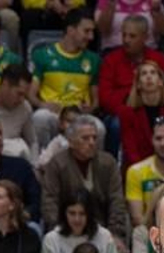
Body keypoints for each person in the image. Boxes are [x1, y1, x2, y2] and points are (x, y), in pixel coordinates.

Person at [40, 114, 130, 249]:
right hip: (67, 228)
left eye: (94, 138)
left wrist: (114, 233)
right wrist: (61, 233)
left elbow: (116, 200)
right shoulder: (57, 164)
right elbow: (49, 202)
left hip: (102, 228)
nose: (92, 142)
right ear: (71, 141)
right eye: (85, 138)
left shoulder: (108, 163)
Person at [29, 8, 99, 149]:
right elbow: (30, 94)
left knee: (100, 128)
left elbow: (96, 101)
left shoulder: (93, 59)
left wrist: (89, 108)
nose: (91, 37)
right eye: (86, 31)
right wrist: (42, 104)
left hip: (79, 115)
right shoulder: (43, 55)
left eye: (92, 32)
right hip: (53, 113)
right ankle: (40, 164)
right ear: (71, 30)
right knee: (40, 117)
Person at [116, 59, 164, 167]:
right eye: (144, 74)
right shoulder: (127, 112)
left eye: (153, 73)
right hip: (141, 169)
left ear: (161, 81)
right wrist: (149, 169)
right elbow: (130, 151)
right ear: (138, 84)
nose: (149, 77)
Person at [98, 14, 164, 125]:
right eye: (124, 35)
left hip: (155, 111)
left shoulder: (159, 59)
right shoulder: (111, 60)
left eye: (132, 36)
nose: (126, 40)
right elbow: (105, 98)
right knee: (117, 123)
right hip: (121, 113)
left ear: (145, 37)